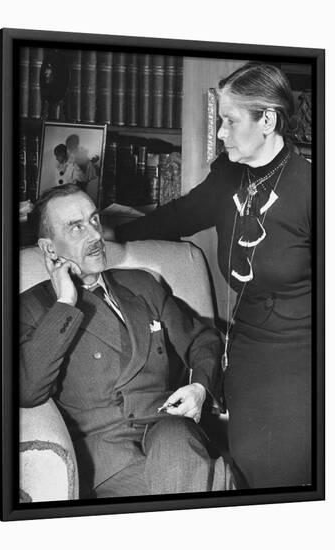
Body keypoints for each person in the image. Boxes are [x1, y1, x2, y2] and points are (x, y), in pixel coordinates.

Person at [112, 62, 312, 490]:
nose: (220, 132)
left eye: (230, 120)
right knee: (248, 476)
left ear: (268, 120)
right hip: (246, 357)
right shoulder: (228, 176)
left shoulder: (315, 188)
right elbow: (178, 216)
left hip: (305, 361)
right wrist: (107, 233)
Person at [20, 184, 235, 498]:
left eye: (94, 220)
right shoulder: (32, 308)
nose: (94, 235)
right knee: (218, 486)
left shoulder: (141, 284)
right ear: (50, 249)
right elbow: (27, 388)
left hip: (169, 426)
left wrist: (200, 388)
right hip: (107, 460)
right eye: (76, 227)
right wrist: (66, 301)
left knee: (179, 442)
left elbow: (202, 339)